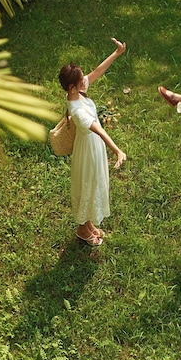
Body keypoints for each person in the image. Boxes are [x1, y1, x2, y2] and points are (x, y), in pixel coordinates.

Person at [59, 38, 128, 246]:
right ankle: (82, 229)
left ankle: (88, 224)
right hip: (88, 149)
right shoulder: (77, 111)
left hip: (92, 145)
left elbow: (97, 71)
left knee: (93, 183)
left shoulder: (77, 91)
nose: (85, 80)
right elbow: (99, 130)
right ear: (71, 86)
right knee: (88, 185)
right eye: (81, 79)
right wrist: (117, 150)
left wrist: (117, 53)